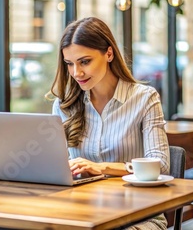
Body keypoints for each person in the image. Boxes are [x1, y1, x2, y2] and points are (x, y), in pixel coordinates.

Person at [46, 17, 170, 229]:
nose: (77, 73)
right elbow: (56, 165)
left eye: (85, 61)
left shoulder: (144, 98)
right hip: (82, 212)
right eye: (69, 64)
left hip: (139, 214)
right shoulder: (64, 105)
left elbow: (161, 164)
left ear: (109, 54)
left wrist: (101, 168)